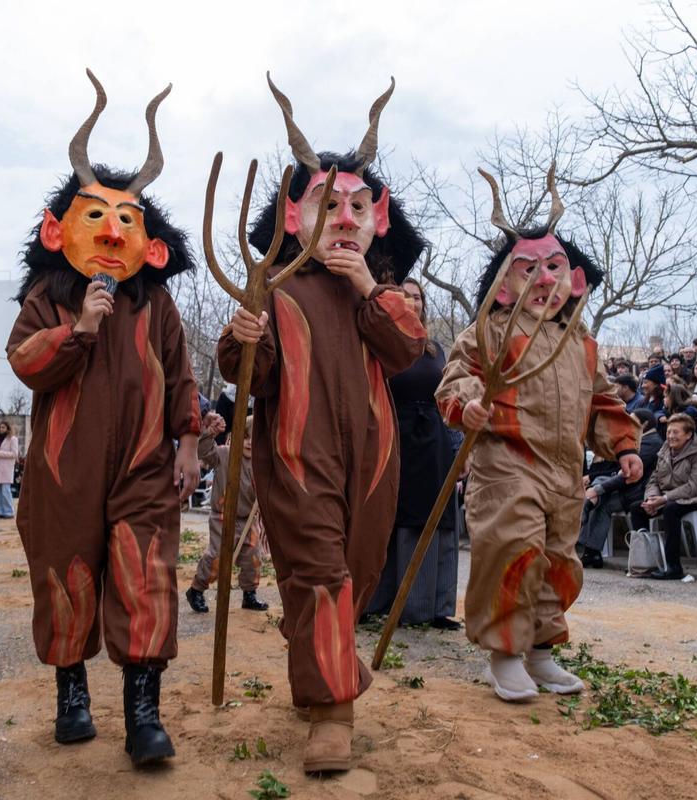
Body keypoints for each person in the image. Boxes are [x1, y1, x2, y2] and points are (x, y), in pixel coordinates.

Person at [218, 75, 426, 772]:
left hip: (373, 461)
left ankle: (317, 660)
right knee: (322, 573)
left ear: (379, 217)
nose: (343, 216)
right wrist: (243, 335)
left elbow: (406, 349)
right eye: (326, 203)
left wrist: (370, 287)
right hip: (296, 460)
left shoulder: (382, 292)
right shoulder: (276, 287)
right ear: (291, 215)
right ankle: (334, 713)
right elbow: (252, 375)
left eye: (357, 206)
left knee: (354, 574)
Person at [7, 73, 201, 765]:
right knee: (66, 574)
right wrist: (80, 328)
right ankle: (72, 695)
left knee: (145, 576)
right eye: (96, 217)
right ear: (61, 232)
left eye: (127, 219)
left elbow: (182, 379)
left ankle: (143, 714)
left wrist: (190, 444)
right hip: (64, 473)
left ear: (149, 243)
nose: (113, 229)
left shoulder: (158, 308)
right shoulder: (48, 297)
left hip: (147, 467)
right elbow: (24, 362)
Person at [435, 167, 640, 705]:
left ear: (572, 278)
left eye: (553, 268)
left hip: (565, 472)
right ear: (505, 284)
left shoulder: (580, 340)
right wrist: (468, 405)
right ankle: (504, 654)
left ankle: (541, 653)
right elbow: (456, 377)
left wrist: (624, 444)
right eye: (528, 270)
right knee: (514, 550)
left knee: (557, 560)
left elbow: (601, 400)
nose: (543, 281)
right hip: (507, 466)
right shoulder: (487, 330)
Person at [366, 278, 460, 630]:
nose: (413, 302)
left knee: (438, 520)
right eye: (405, 297)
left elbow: (448, 397)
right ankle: (388, 601)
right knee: (395, 518)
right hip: (395, 438)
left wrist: (457, 449)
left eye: (418, 297)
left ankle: (435, 608)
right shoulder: (380, 344)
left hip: (434, 442)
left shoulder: (434, 348)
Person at [184, 412, 266, 615]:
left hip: (248, 520)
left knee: (253, 556)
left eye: (253, 439)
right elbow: (204, 452)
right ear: (235, 436)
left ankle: (249, 594)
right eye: (244, 437)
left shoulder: (261, 464)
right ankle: (196, 589)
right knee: (218, 556)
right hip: (222, 517)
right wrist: (208, 434)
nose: (248, 443)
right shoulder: (224, 454)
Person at [631, 413, 697, 580]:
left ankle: (673, 566)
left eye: (675, 432)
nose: (670, 436)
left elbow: (694, 486)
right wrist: (651, 498)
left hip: (693, 498)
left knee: (670, 510)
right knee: (637, 508)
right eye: (669, 432)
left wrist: (664, 499)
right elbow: (654, 479)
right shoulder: (665, 450)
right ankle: (645, 562)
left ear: (689, 434)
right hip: (666, 498)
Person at [579, 409, 661, 568]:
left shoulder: (652, 443)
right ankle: (592, 552)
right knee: (602, 499)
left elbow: (627, 474)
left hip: (637, 492)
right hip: (626, 488)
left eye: (632, 421)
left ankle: (587, 510)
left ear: (643, 424)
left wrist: (598, 489)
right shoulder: (638, 441)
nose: (626, 425)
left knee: (601, 498)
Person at [0, 422, 18, 519]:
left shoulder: (13, 439)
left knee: (6, 491)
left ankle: (9, 512)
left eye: (3, 427)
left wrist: (0, 453)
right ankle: (0, 512)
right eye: (0, 427)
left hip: (6, 468)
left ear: (8, 428)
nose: (1, 429)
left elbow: (14, 454)